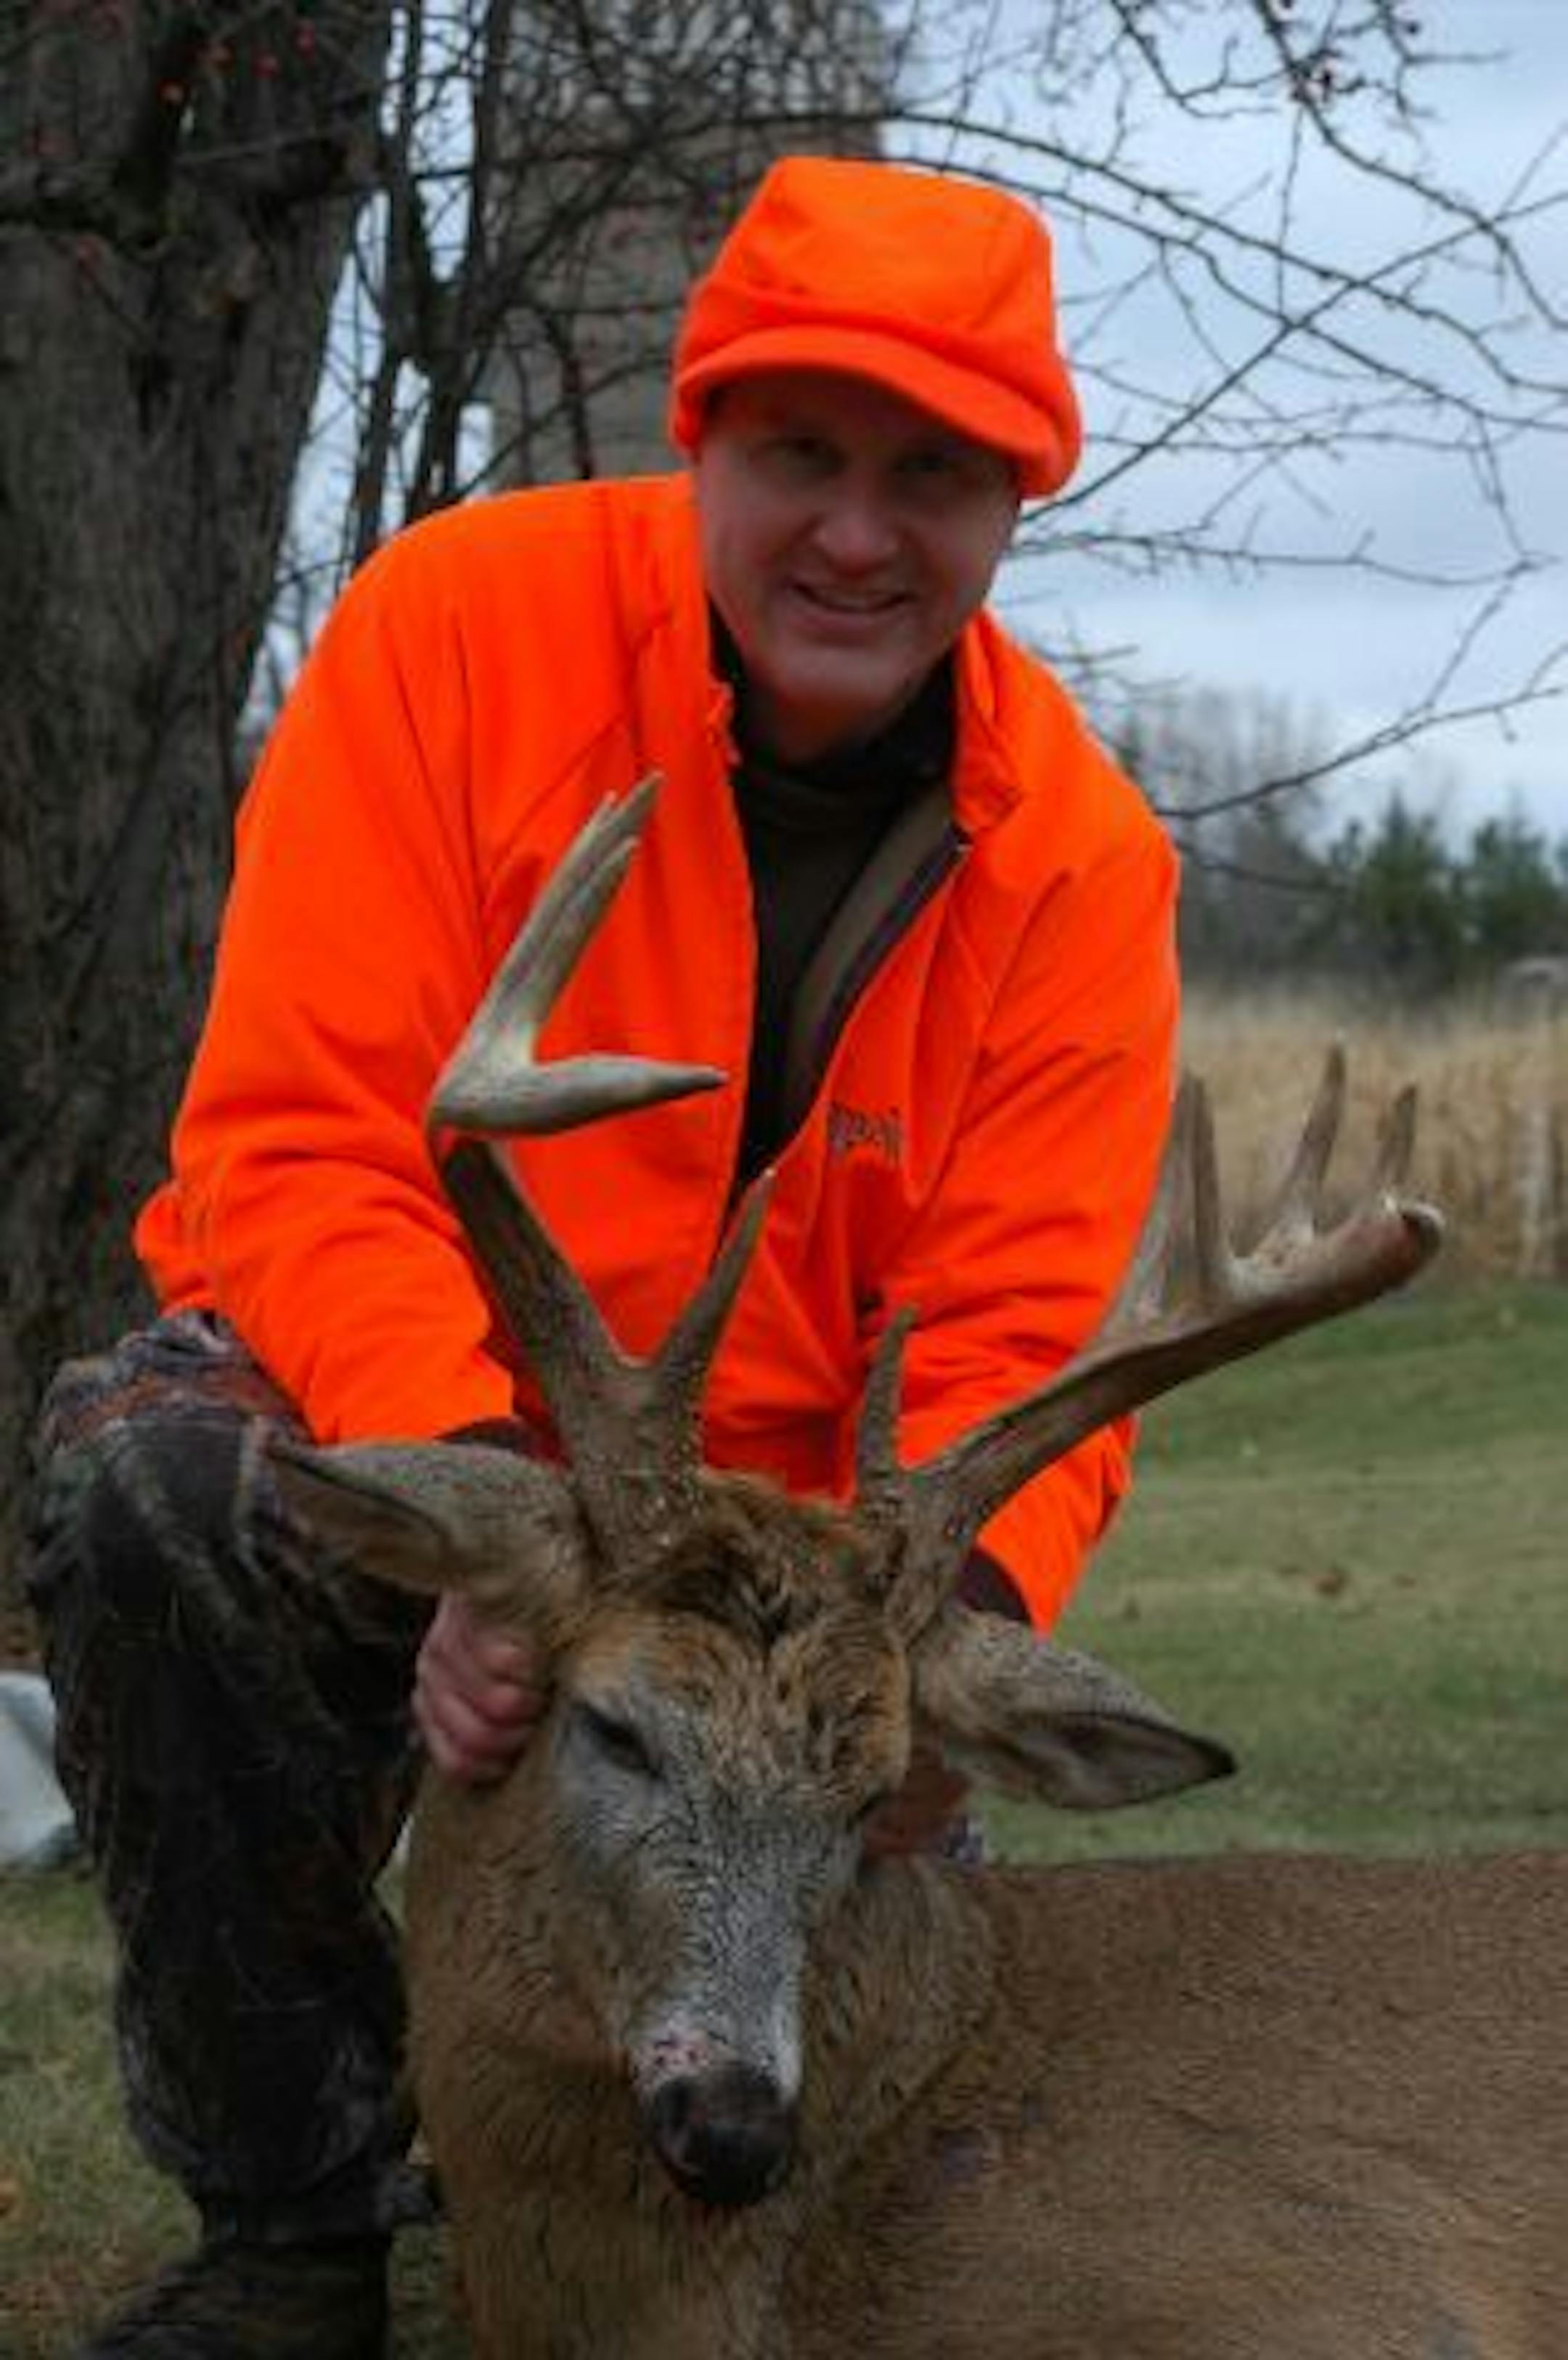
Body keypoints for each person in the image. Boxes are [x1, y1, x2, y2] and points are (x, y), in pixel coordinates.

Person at [25, 154, 1178, 2355]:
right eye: (802, 456)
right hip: (442, 1428)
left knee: (883, 2098)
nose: (857, 531)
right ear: (701, 438)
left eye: (934, 474)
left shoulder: (1083, 868)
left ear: (1020, 502)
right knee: (152, 1490)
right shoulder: (456, 636)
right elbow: (300, 1132)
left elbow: (1026, 1336)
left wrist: (948, 1635)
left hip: (796, 1580)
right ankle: (292, 2227)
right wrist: (479, 1523)